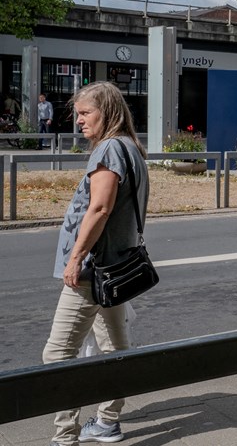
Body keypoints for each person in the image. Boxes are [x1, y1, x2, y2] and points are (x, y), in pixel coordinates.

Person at [42, 81, 149, 446]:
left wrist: (75, 259)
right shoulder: (131, 147)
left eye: (86, 113)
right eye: (77, 113)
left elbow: (100, 208)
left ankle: (64, 436)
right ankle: (107, 421)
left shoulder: (109, 149)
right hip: (114, 268)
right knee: (116, 349)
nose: (79, 121)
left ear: (109, 111)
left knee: (58, 353)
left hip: (92, 272)